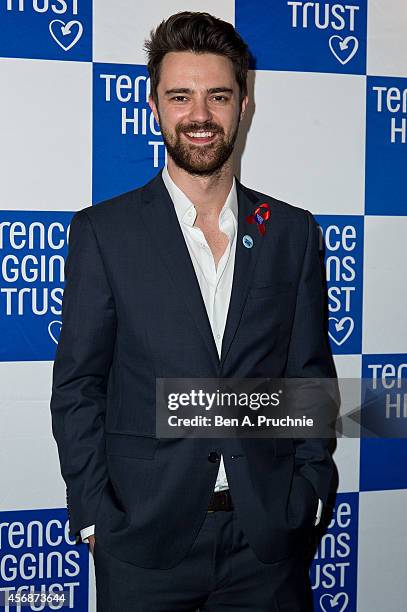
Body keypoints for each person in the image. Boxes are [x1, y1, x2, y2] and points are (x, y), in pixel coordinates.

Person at [50, 11, 336, 611]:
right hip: (143, 543)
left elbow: (308, 379)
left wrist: (308, 492)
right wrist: (96, 516)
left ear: (243, 105)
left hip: (267, 544)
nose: (200, 116)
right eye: (181, 96)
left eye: (218, 96)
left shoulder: (290, 232)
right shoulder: (104, 232)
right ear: (154, 104)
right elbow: (79, 386)